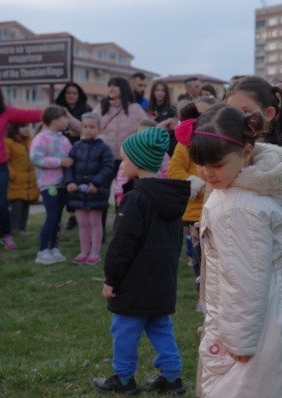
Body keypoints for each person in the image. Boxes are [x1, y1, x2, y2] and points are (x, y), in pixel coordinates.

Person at [180, 103, 282, 397]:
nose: (207, 173)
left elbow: (245, 282)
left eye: (216, 164)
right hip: (280, 299)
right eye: (201, 164)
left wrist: (240, 341)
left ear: (247, 152)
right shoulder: (256, 183)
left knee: (251, 386)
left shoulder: (237, 207)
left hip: (261, 318)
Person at [93, 127, 189, 395]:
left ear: (137, 162)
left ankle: (123, 379)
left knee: (124, 329)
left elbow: (122, 246)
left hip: (134, 283)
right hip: (161, 280)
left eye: (125, 159)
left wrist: (112, 279)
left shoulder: (135, 198)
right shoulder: (170, 198)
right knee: (160, 327)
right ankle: (172, 378)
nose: (123, 164)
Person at [225, 76, 282, 276]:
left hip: (276, 254)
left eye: (245, 112)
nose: (238, 120)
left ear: (269, 114)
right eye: (231, 113)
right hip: (239, 251)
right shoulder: (232, 151)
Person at [169, 96, 216, 313]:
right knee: (199, 257)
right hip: (195, 212)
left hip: (219, 209)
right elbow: (175, 170)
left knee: (220, 257)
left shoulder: (221, 141)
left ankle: (220, 296)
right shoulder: (184, 144)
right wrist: (194, 182)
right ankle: (202, 297)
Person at [0, 73, 42, 249]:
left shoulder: (2, 111)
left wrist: (50, 112)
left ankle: (6, 234)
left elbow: (27, 115)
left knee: (0, 202)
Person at [64, 113, 114, 265]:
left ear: (99, 129)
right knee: (83, 223)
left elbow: (108, 168)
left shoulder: (104, 148)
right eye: (85, 127)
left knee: (95, 222)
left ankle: (95, 252)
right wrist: (70, 182)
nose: (88, 130)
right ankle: (84, 251)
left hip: (95, 192)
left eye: (92, 127)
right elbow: (69, 166)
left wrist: (96, 184)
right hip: (79, 192)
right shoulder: (76, 147)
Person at [29, 105, 73, 264]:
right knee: (52, 216)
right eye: (64, 117)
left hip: (62, 184)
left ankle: (54, 247)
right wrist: (60, 162)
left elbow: (71, 157)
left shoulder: (64, 139)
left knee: (58, 218)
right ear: (54, 120)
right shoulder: (41, 138)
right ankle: (42, 251)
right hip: (49, 184)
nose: (67, 120)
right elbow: (36, 158)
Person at [55, 81, 93, 231]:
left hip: (81, 152)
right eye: (68, 93)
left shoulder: (86, 110)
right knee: (63, 185)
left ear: (79, 95)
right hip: (61, 153)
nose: (71, 96)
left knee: (79, 184)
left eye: (74, 93)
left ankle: (77, 216)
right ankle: (69, 214)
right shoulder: (58, 109)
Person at [5, 123, 39, 236]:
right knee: (17, 204)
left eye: (28, 126)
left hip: (30, 180)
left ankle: (22, 228)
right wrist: (11, 175)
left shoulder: (31, 141)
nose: (26, 129)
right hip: (16, 181)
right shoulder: (9, 143)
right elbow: (5, 161)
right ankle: (13, 228)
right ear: (15, 128)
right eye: (23, 126)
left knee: (26, 204)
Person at [146, 80, 177, 155]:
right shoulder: (148, 109)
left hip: (167, 147)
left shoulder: (172, 109)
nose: (160, 93)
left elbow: (172, 131)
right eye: (157, 90)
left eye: (163, 90)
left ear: (166, 93)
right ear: (153, 92)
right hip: (151, 147)